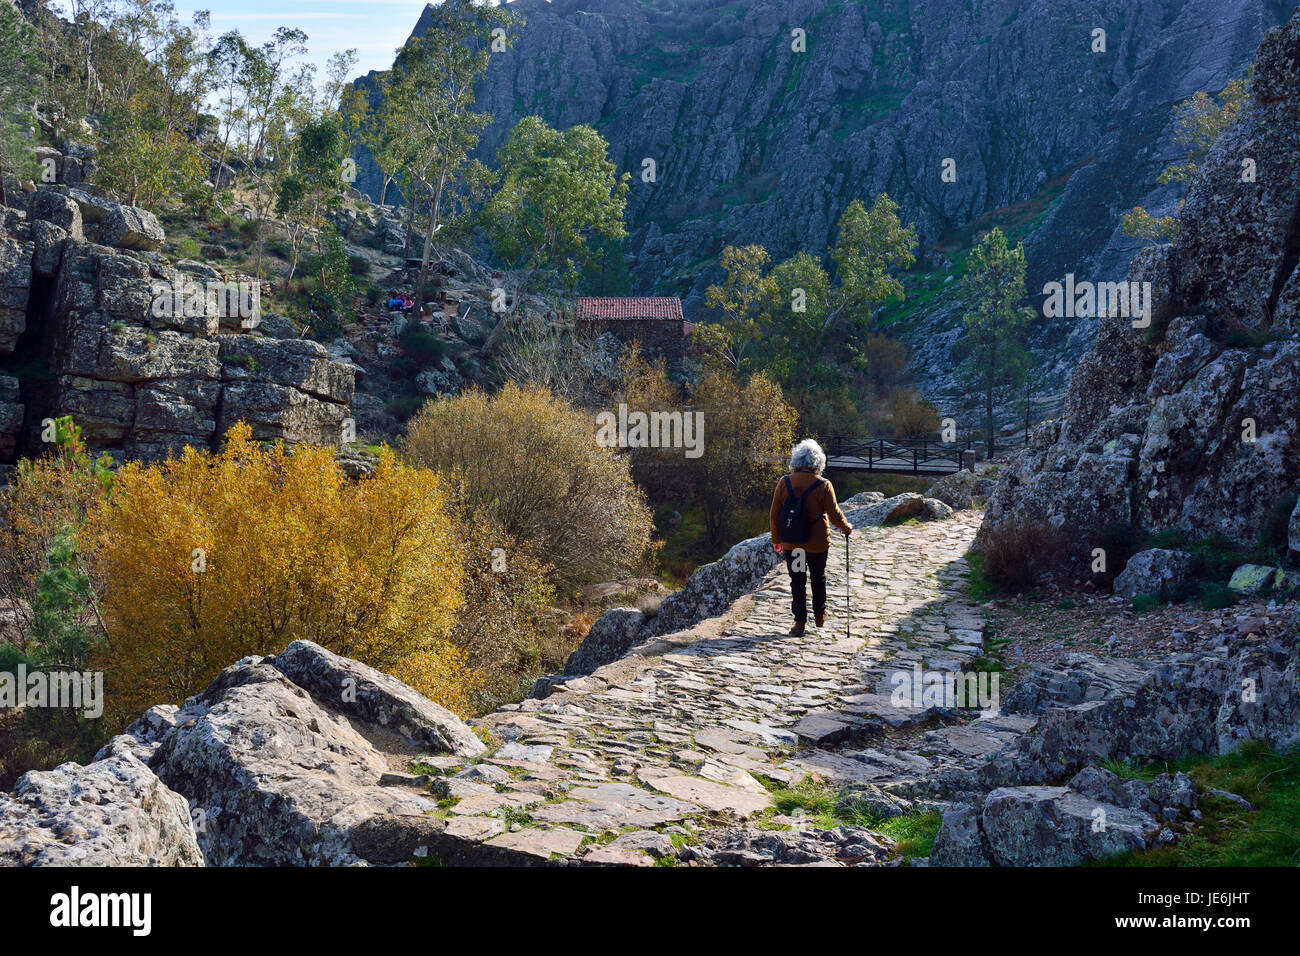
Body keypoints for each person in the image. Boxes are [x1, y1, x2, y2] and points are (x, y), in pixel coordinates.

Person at [769, 439, 853, 636]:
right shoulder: (824, 485)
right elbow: (834, 514)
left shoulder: (785, 482)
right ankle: (819, 614)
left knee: (797, 581)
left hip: (794, 544)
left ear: (796, 460)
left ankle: (799, 624)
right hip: (816, 545)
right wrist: (846, 528)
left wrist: (776, 540)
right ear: (818, 463)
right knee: (818, 577)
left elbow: (774, 515)